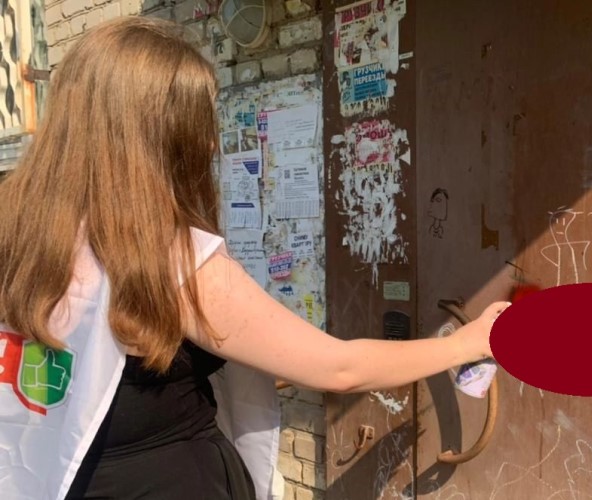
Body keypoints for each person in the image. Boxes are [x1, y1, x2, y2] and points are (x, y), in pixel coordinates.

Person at [0, 17, 509, 500]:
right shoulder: (167, 259)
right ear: (161, 135)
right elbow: (340, 368)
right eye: (199, 122)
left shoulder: (20, 234)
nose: (211, 143)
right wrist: (468, 342)